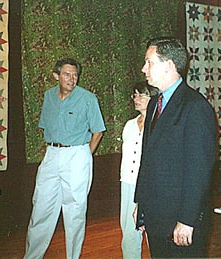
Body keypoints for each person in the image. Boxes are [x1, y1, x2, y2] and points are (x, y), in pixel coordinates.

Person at [134, 37, 217, 258]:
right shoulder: (153, 104)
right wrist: (141, 205)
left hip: (181, 220)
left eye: (149, 62)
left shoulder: (195, 106)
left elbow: (199, 170)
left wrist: (187, 219)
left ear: (169, 65)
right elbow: (147, 159)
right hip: (156, 215)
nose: (144, 69)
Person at [23, 57, 106, 259]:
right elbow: (47, 126)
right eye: (67, 74)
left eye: (75, 75)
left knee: (74, 211)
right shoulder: (48, 96)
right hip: (52, 154)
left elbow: (98, 132)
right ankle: (32, 256)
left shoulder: (87, 98)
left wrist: (85, 154)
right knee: (41, 207)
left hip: (77, 154)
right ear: (56, 76)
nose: (72, 78)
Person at [120, 82, 157, 259]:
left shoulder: (159, 124)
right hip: (128, 182)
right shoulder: (129, 125)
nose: (137, 99)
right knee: (129, 230)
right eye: (135, 95)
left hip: (151, 185)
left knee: (153, 229)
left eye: (142, 95)